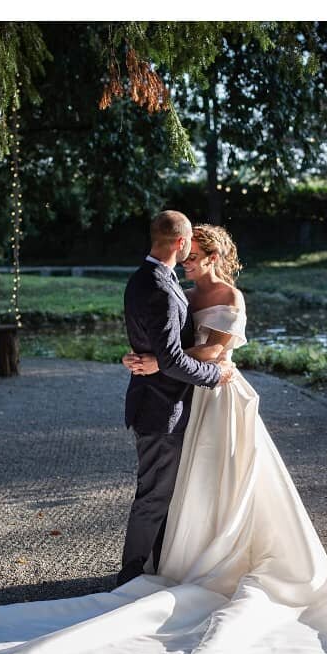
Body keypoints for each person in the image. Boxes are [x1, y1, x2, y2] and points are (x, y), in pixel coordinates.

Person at [0, 222, 327, 654]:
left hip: (219, 398)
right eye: (187, 255)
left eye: (197, 257)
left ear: (214, 255)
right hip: (189, 397)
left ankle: (215, 555)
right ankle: (175, 561)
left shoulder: (228, 296)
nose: (190, 263)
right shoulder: (180, 290)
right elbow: (163, 338)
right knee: (183, 488)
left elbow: (216, 352)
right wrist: (146, 356)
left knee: (225, 483)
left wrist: (156, 362)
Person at [115, 210, 234, 588]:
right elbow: (171, 360)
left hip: (153, 402)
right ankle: (130, 575)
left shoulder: (140, 279)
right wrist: (215, 375)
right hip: (161, 408)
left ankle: (156, 567)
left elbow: (154, 349)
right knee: (153, 497)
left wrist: (145, 357)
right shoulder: (165, 292)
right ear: (181, 244)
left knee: (163, 494)